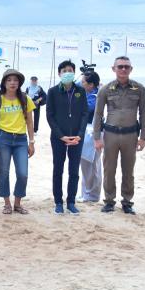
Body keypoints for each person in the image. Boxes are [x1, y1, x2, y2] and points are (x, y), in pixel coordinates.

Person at [93, 56, 145, 215]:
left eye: (126, 67)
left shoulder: (139, 89)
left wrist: (143, 137)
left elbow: (143, 113)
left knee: (128, 170)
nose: (123, 69)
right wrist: (97, 138)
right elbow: (98, 114)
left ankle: (127, 202)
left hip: (131, 135)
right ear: (114, 69)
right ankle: (109, 201)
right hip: (110, 134)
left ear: (131, 69)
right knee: (109, 169)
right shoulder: (106, 89)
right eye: (120, 67)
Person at [0, 69, 35, 215]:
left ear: (19, 83)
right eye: (9, 80)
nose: (12, 83)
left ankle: (18, 203)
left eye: (15, 80)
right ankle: (7, 203)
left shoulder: (25, 98)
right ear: (4, 83)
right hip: (3, 139)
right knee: (4, 172)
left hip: (21, 139)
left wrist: (32, 142)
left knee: (23, 173)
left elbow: (29, 122)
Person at [46, 61, 89, 215]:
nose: (67, 73)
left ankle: (71, 201)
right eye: (64, 71)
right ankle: (58, 201)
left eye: (70, 70)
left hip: (77, 137)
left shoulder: (80, 91)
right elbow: (50, 116)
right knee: (58, 169)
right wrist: (61, 136)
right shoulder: (52, 92)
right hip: (59, 137)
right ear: (59, 73)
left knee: (74, 171)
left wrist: (80, 134)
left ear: (74, 72)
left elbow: (85, 113)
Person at [79, 71, 103, 202]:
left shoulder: (96, 96)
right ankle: (85, 192)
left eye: (84, 82)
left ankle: (92, 195)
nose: (81, 84)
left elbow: (87, 109)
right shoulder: (88, 93)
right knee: (85, 164)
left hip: (93, 132)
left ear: (91, 84)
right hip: (86, 131)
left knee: (92, 164)